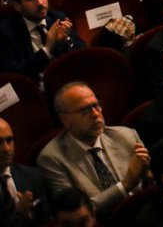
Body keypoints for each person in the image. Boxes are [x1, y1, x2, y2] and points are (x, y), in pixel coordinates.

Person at [37, 83, 148, 218]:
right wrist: (124, 186)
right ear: (65, 119)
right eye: (85, 110)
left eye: (96, 105)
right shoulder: (52, 159)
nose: (96, 114)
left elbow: (150, 183)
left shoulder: (126, 136)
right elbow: (75, 214)